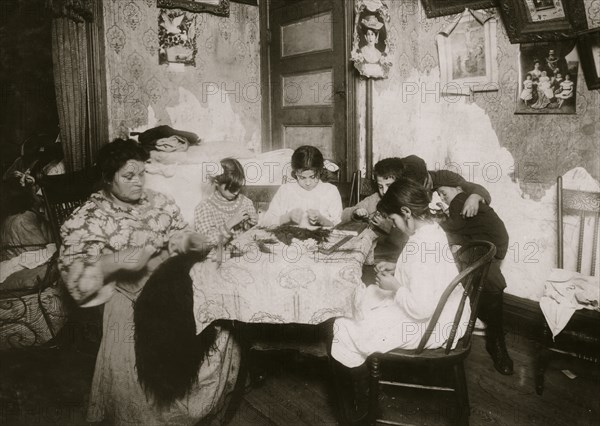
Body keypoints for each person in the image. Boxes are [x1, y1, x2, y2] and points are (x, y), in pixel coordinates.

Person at [59, 139, 238, 425]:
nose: (139, 182)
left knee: (221, 317)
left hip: (174, 283)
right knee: (137, 329)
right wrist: (116, 261)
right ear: (108, 178)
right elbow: (75, 279)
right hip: (128, 295)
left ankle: (200, 403)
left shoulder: (159, 202)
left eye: (142, 173)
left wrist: (198, 240)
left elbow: (181, 235)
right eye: (129, 176)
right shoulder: (89, 217)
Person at [328, 179, 470, 423]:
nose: (393, 224)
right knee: (364, 298)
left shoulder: (421, 245)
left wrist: (395, 286)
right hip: (449, 312)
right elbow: (430, 275)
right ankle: (365, 395)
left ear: (406, 212)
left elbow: (421, 307)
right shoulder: (432, 232)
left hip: (433, 323)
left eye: (393, 220)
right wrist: (398, 267)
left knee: (345, 324)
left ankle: (361, 408)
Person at [435, 183, 513, 375]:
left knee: (488, 276)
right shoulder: (457, 201)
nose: (442, 197)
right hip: (473, 242)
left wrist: (474, 196)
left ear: (459, 188)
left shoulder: (459, 198)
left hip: (481, 245)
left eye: (444, 193)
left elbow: (454, 224)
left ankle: (495, 341)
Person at [259, 145, 342, 228]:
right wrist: (287, 218)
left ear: (320, 171)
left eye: (312, 177)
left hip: (323, 239)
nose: (308, 183)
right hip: (289, 239)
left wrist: (322, 220)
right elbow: (266, 221)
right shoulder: (286, 190)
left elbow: (339, 225)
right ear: (295, 173)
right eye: (302, 177)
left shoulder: (330, 191)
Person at [399, 155, 491, 218]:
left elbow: (475, 188)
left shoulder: (445, 177)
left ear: (427, 171)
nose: (427, 189)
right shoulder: (409, 188)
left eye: (427, 183)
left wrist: (474, 198)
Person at [194, 157, 258, 246]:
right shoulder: (205, 207)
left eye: (238, 187)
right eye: (231, 188)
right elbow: (207, 242)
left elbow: (252, 235)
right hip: (219, 257)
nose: (236, 192)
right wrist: (229, 224)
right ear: (216, 182)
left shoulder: (246, 202)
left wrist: (252, 223)